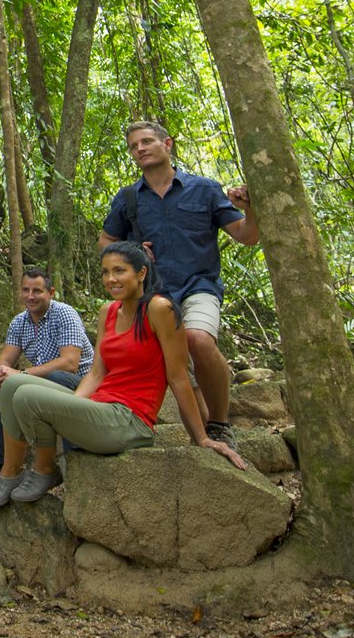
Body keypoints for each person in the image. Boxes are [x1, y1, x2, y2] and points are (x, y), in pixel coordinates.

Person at [0, 241, 246, 509]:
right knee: (13, 383)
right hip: (101, 406)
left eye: (119, 271)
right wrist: (74, 406)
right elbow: (96, 374)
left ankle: (44, 468)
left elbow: (178, 377)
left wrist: (201, 438)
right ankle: (10, 473)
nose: (111, 279)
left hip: (130, 420)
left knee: (27, 395)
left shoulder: (159, 309)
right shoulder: (108, 311)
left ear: (141, 273)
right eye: (106, 272)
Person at [98, 119, 259, 448]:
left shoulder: (205, 189)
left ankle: (220, 421)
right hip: (154, 294)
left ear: (167, 144)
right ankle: (204, 432)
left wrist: (251, 209)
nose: (139, 149)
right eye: (133, 146)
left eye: (145, 142)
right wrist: (129, 252)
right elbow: (105, 242)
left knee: (198, 339)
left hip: (199, 284)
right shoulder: (128, 198)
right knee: (174, 360)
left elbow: (247, 236)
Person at [0, 266, 93, 491]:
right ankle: (0, 463)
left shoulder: (64, 314)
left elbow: (70, 363)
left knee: (58, 376)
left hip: (79, 383)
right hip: (41, 382)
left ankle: (72, 465)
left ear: (51, 292)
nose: (30, 296)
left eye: (37, 291)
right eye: (26, 290)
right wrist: (2, 371)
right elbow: (3, 360)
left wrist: (21, 375)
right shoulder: (20, 321)